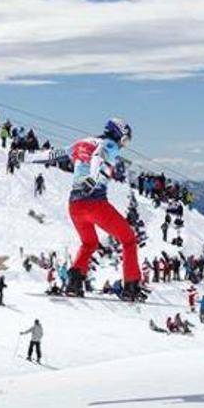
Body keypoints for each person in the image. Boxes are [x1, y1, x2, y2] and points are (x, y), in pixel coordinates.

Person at [64, 118, 145, 302]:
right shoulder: (109, 144)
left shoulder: (82, 143)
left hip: (75, 206)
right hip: (95, 204)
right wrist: (93, 178)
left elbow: (53, 154)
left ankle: (74, 283)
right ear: (118, 133)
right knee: (129, 239)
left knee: (89, 243)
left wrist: (22, 157)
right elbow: (99, 156)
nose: (124, 145)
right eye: (125, 139)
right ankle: (131, 286)